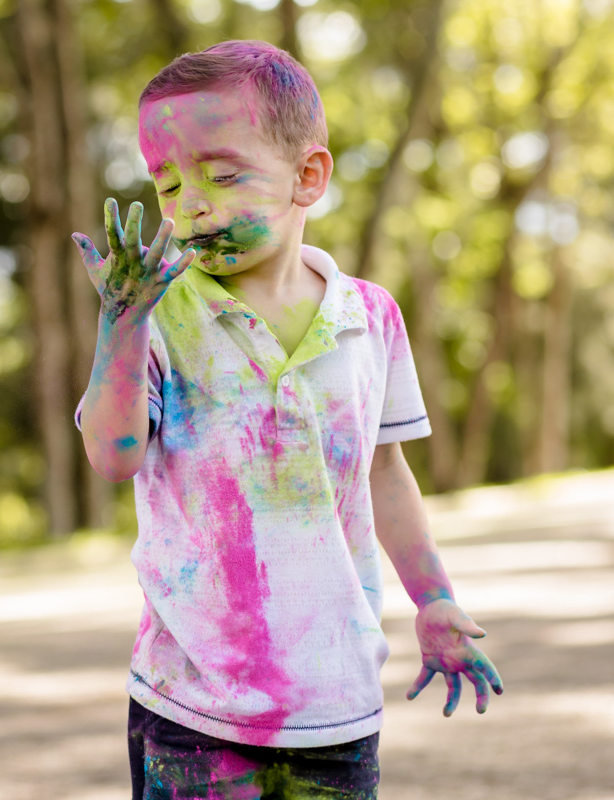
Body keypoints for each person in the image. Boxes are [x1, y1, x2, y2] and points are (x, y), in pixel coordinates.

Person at [70, 40, 503, 800]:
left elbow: (384, 470)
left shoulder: (370, 317)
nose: (191, 205)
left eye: (222, 174)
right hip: (191, 701)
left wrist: (433, 598)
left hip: (335, 698)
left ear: (309, 177)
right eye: (168, 186)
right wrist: (122, 322)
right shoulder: (159, 317)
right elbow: (113, 456)